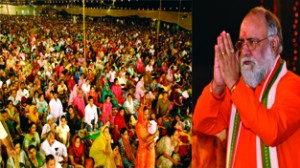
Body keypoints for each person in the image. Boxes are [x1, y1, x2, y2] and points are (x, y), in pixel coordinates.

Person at [193, 6, 300, 167]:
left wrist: (234, 85)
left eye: (252, 42)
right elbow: (202, 124)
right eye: (242, 43)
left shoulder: (293, 85)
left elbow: (273, 132)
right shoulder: (238, 90)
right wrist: (218, 86)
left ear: (274, 43)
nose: (245, 51)